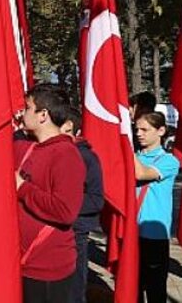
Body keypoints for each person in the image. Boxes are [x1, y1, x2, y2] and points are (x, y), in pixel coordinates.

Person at [14, 84, 85, 303]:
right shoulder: (25, 146)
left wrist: (22, 188)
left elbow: (65, 211)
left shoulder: (66, 154)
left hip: (46, 267)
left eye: (27, 108)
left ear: (43, 115)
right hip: (19, 260)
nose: (21, 113)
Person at [134, 111, 180, 303]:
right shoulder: (135, 156)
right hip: (131, 231)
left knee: (155, 288)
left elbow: (141, 174)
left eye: (145, 129)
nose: (138, 134)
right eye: (136, 129)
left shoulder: (168, 161)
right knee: (132, 286)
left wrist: (124, 144)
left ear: (161, 131)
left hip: (154, 234)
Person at [62, 108, 104, 303]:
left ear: (69, 126)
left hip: (75, 231)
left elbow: (96, 199)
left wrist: (62, 205)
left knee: (74, 287)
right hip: (53, 232)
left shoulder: (87, 157)